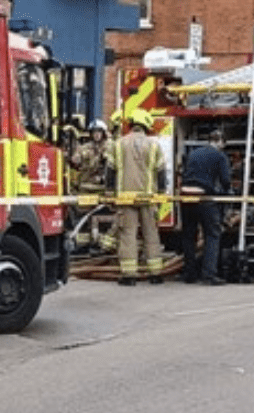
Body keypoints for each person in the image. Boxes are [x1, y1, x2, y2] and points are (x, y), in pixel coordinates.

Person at [114, 109, 167, 286]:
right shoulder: (154, 145)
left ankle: (129, 275)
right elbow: (161, 173)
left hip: (126, 197)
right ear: (146, 125)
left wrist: (109, 191)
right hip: (148, 197)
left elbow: (110, 170)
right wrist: (161, 195)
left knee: (128, 234)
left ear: (131, 124)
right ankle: (155, 274)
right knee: (151, 234)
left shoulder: (119, 143)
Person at [180, 130, 231, 285]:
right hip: (204, 198)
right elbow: (226, 180)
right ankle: (209, 275)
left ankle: (190, 274)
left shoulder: (194, 153)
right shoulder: (220, 156)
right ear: (221, 142)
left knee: (189, 235)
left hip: (185, 196)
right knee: (212, 234)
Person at [69, 119, 113, 193]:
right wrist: (76, 159)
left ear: (103, 133)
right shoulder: (84, 148)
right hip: (85, 185)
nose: (96, 134)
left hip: (102, 187)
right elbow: (75, 160)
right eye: (94, 132)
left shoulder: (109, 146)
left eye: (99, 131)